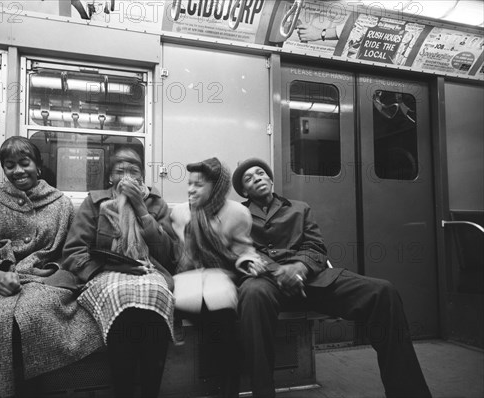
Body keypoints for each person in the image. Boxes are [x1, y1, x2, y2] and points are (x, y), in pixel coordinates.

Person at [231, 158, 432, 398]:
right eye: (249, 178)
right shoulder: (238, 215)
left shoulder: (299, 207)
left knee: (383, 292)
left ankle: (407, 392)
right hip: (266, 282)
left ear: (271, 179)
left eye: (261, 173)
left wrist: (299, 267)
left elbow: (316, 248)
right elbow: (241, 251)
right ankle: (263, 392)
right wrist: (277, 270)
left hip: (311, 279)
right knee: (252, 294)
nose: (258, 178)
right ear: (244, 191)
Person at [0, 136, 103, 398]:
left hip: (46, 279)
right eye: (10, 165)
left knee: (34, 314)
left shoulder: (61, 203)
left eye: (24, 163)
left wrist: (57, 274)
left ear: (38, 166)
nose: (17, 171)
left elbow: (70, 252)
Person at [61, 148, 176, 398]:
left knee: (155, 294)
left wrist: (140, 209)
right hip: (104, 272)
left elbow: (168, 254)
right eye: (120, 171)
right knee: (122, 296)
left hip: (148, 270)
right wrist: (106, 267)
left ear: (142, 177)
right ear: (110, 178)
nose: (127, 176)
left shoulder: (156, 204)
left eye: (133, 171)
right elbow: (74, 251)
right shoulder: (95, 202)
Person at [170, 157, 265, 398]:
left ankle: (227, 387)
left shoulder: (238, 213)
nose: (191, 190)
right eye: (189, 184)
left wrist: (248, 262)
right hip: (188, 279)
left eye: (199, 185)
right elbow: (177, 255)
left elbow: (244, 250)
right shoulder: (180, 213)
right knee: (213, 318)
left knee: (221, 315)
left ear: (217, 188)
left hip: (222, 278)